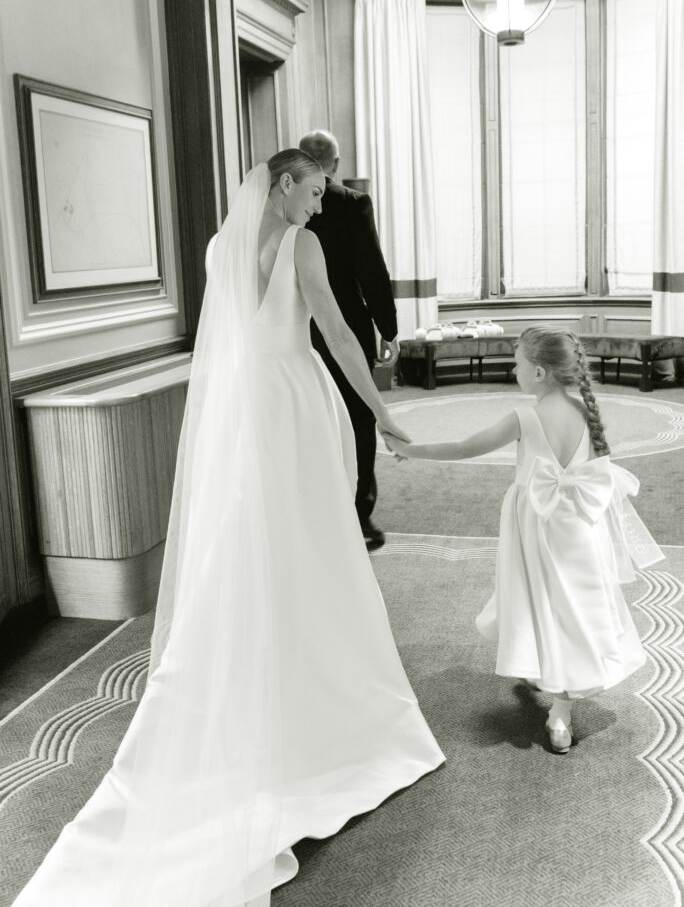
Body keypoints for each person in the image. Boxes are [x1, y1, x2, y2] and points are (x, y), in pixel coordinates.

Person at [12, 151, 444, 907]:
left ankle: (252, 662)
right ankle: (323, 703)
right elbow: (339, 334)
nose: (317, 206)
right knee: (310, 547)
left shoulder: (220, 244)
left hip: (240, 410)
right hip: (291, 400)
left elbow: (225, 340)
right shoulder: (300, 244)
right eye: (311, 191)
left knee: (252, 540)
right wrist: (384, 414)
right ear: (282, 184)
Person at [386, 326, 663, 754]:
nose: (513, 369)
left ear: (537, 371)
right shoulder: (587, 410)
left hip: (537, 525)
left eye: (516, 362)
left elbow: (464, 448)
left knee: (540, 601)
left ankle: (559, 709)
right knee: (575, 606)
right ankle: (559, 702)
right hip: (580, 528)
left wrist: (413, 450)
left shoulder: (525, 418)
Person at [299, 129, 399, 550]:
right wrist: (388, 330)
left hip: (299, 329)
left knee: (312, 419)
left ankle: (316, 513)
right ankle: (360, 517)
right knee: (359, 419)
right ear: (336, 165)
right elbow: (370, 269)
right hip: (347, 329)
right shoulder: (353, 202)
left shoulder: (278, 207)